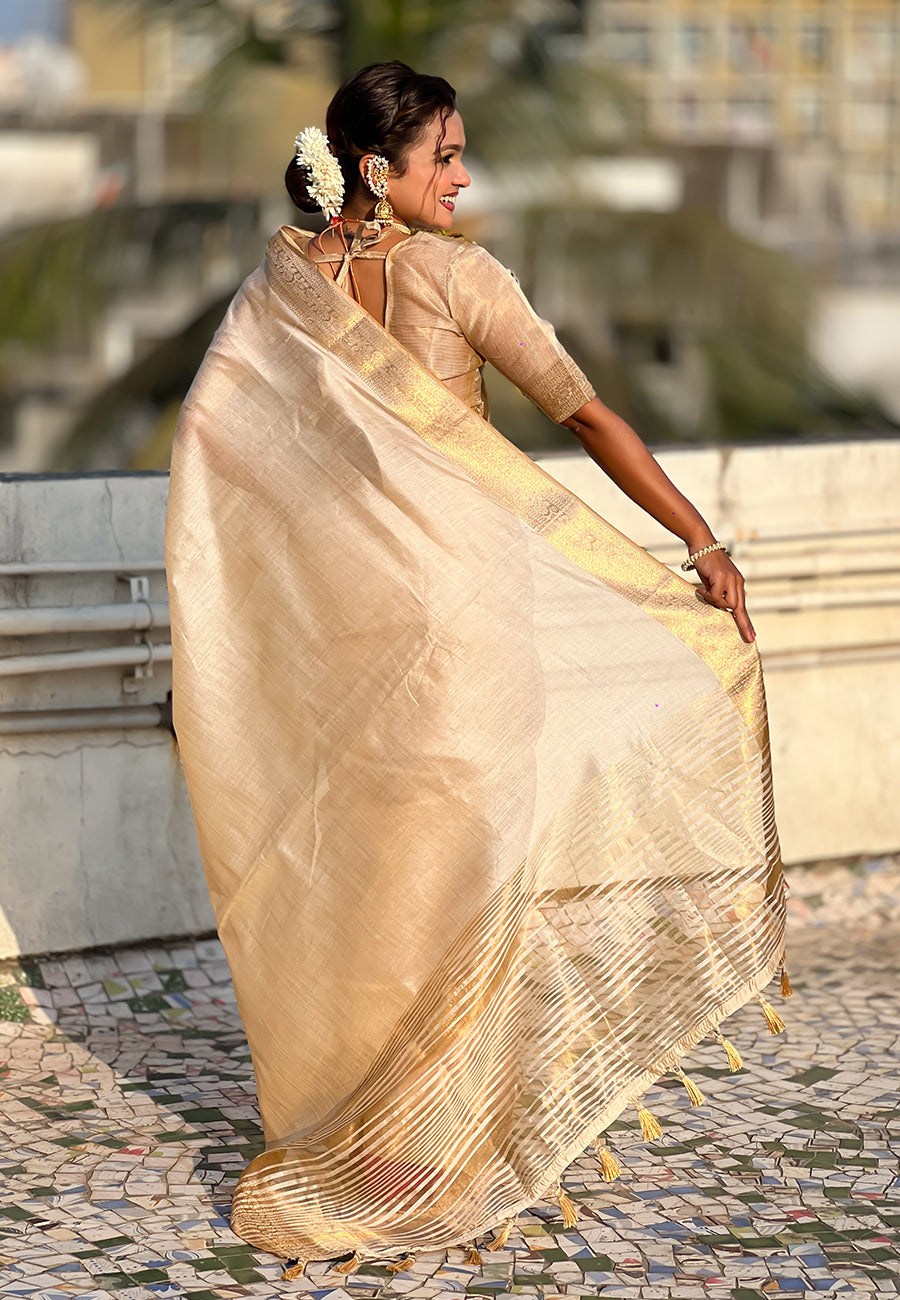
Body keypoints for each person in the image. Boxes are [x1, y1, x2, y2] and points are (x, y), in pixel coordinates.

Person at [164, 61, 788, 1278]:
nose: (463, 176)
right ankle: (429, 1155)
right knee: (469, 886)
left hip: (349, 649)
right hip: (464, 643)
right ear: (374, 171)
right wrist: (700, 544)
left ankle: (368, 1137)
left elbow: (219, 442)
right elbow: (586, 416)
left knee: (372, 883)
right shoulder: (457, 276)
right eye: (443, 156)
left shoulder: (282, 288)